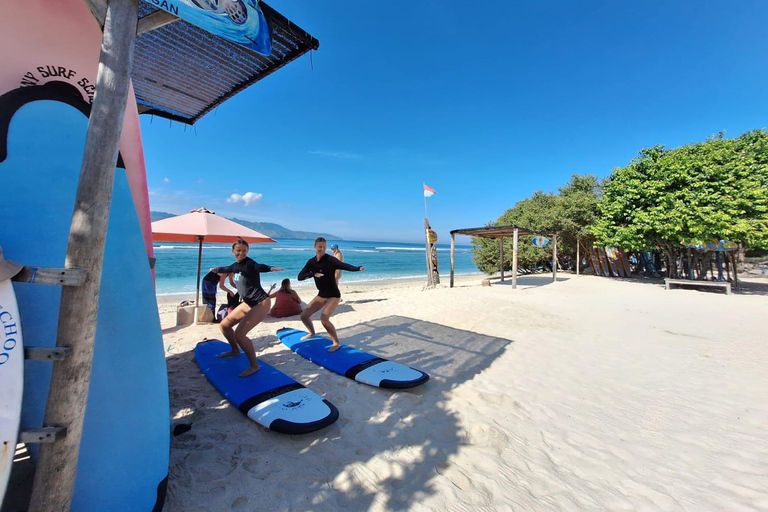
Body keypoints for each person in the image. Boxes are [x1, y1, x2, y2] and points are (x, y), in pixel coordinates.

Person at [211, 239, 284, 377]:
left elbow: (259, 267)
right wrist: (215, 270)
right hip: (248, 302)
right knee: (224, 325)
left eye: (244, 251)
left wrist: (270, 268)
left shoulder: (250, 264)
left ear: (247, 251)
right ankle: (235, 350)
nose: (241, 253)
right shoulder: (234, 266)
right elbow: (226, 269)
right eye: (238, 250)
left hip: (261, 302)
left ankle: (254, 365)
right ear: (233, 251)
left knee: (240, 334)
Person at [298, 237, 364, 352]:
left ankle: (336, 343)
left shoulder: (330, 260)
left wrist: (357, 268)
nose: (322, 249)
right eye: (320, 246)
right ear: (315, 247)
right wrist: (314, 274)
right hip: (321, 294)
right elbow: (300, 277)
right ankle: (312, 333)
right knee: (304, 316)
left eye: (324, 247)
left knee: (324, 318)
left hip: (333, 294)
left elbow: (345, 266)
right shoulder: (311, 262)